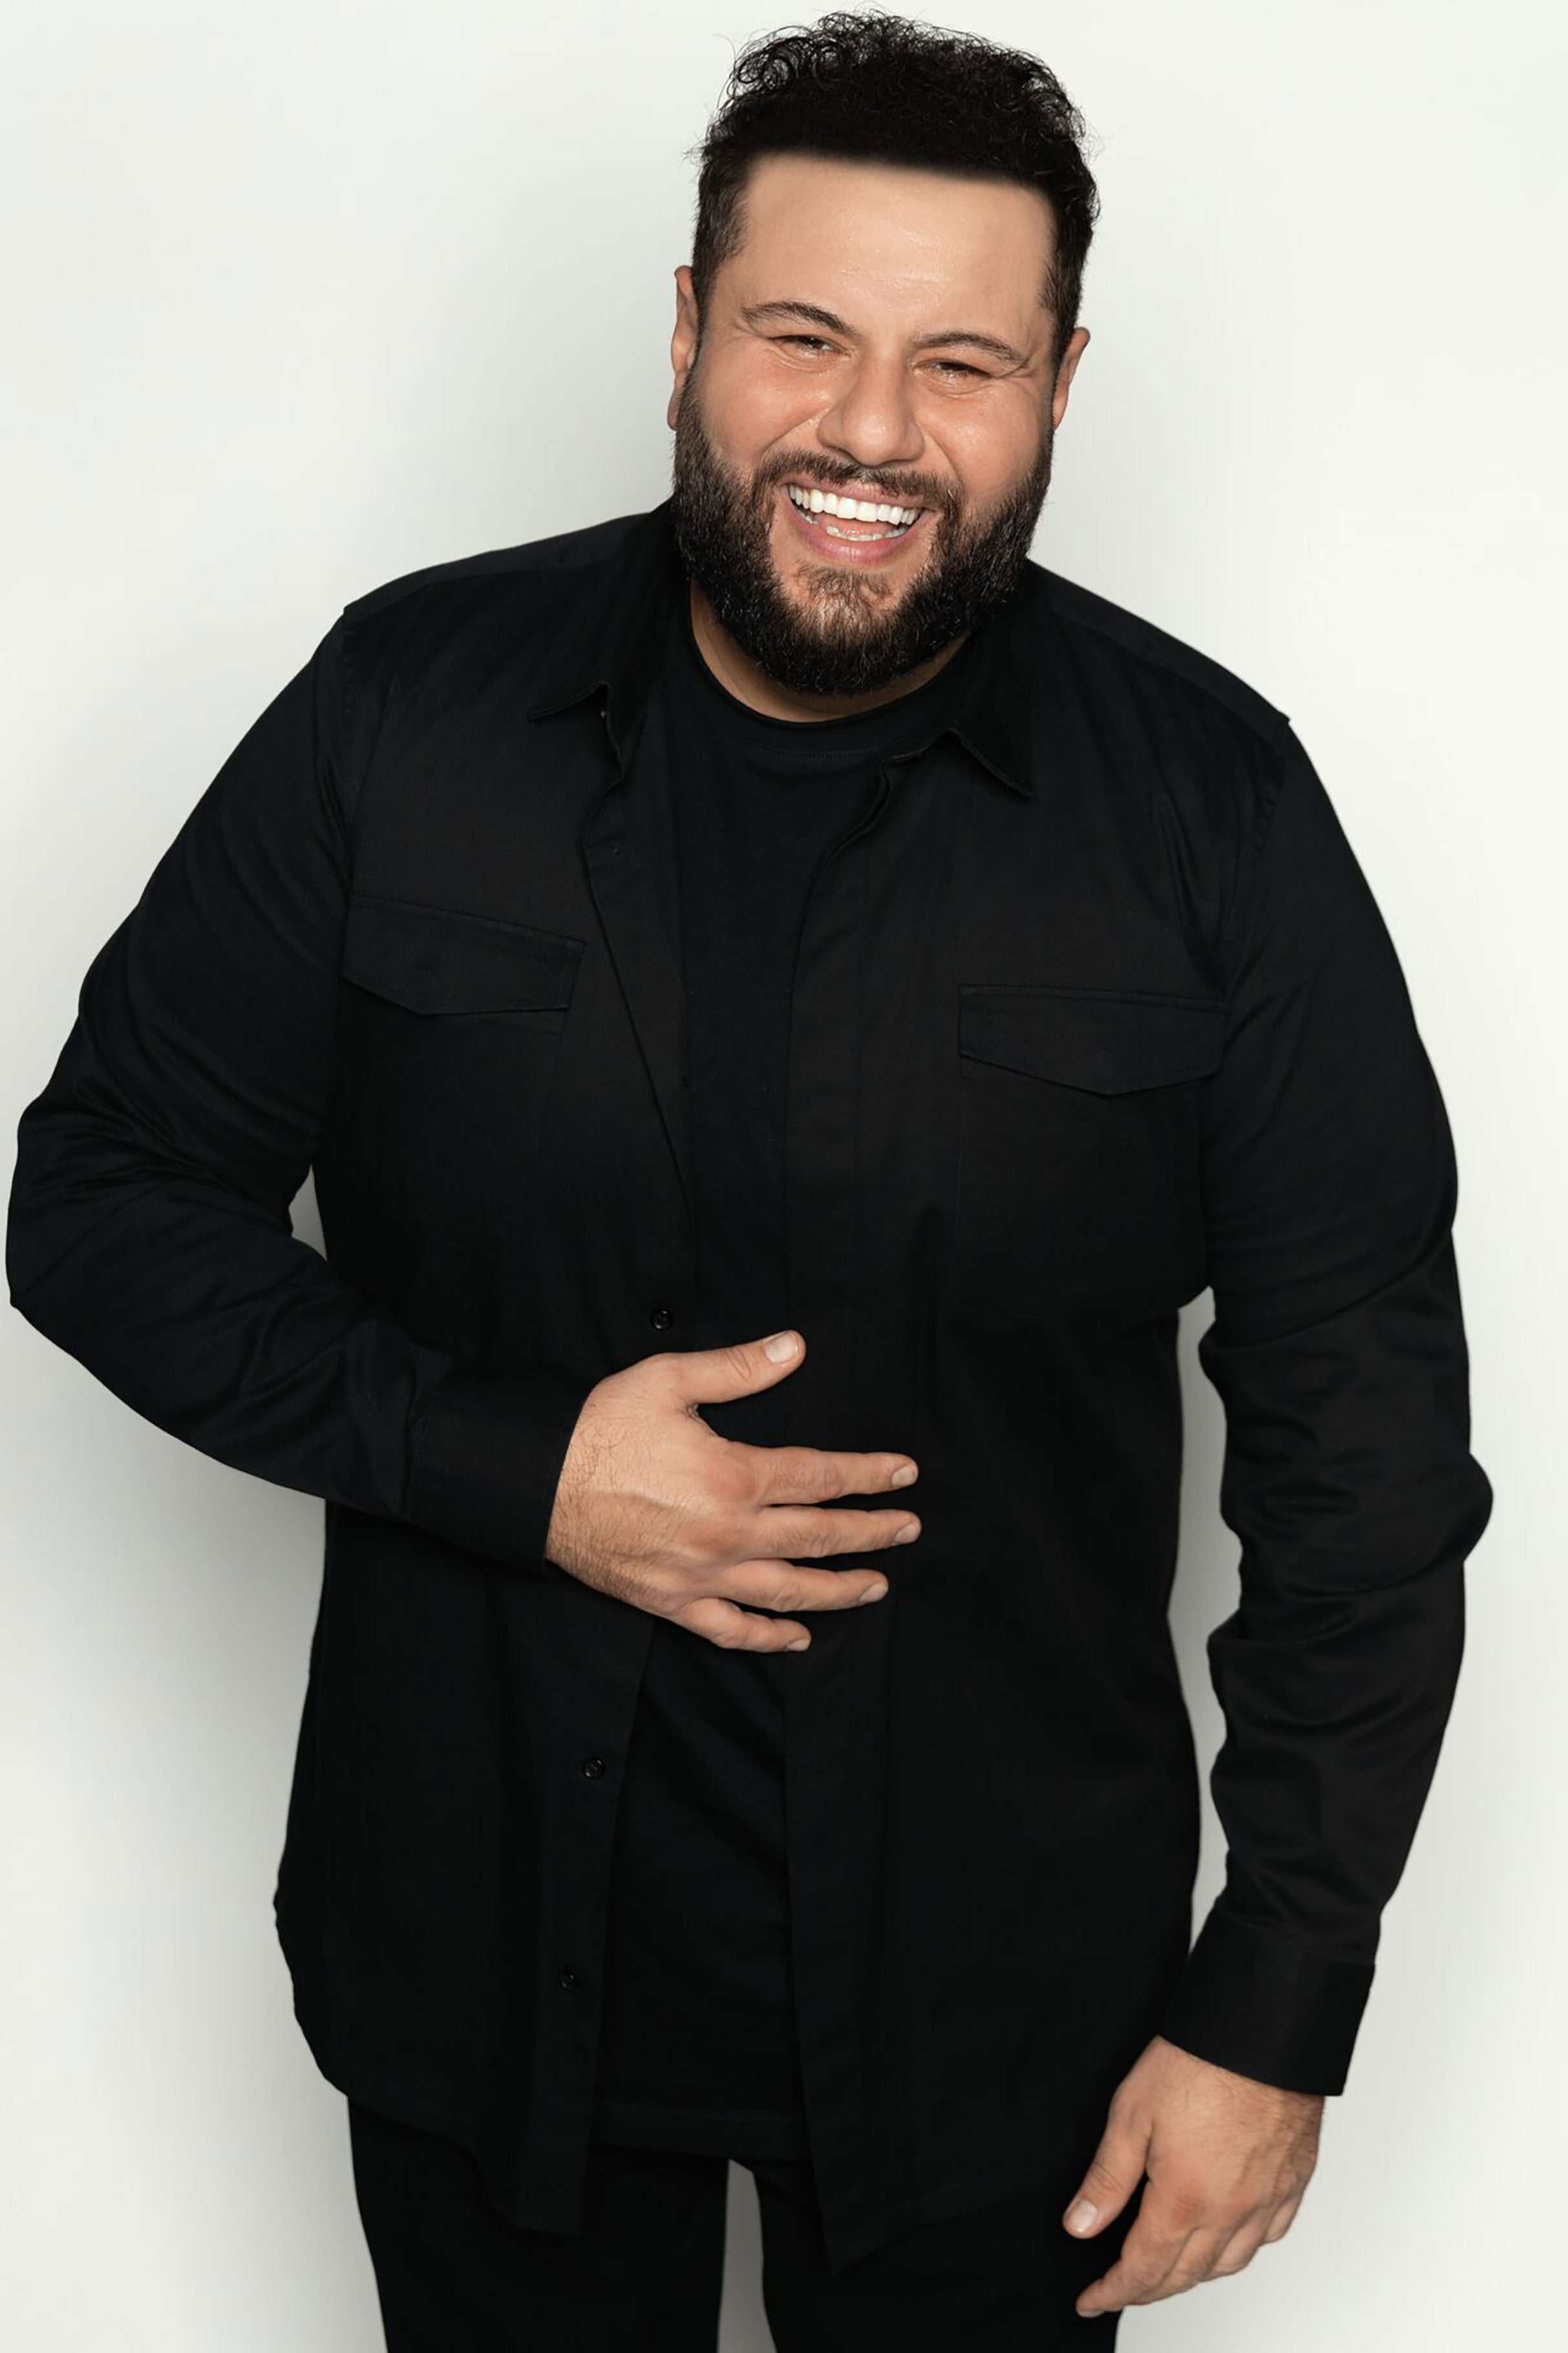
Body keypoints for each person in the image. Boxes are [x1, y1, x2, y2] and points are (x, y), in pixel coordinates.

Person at [6, 11, 1493, 2347]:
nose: (872, 432)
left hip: (1009, 2014)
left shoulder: (1211, 805)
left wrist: (1275, 2004)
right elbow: (99, 1195)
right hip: (479, 1949)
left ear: (1058, 383)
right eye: (804, 335)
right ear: (691, 328)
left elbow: (1365, 1450)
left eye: (959, 362)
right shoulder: (408, 708)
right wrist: (517, 1468)